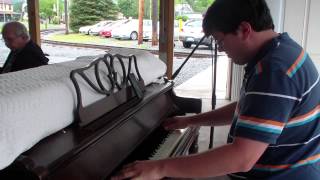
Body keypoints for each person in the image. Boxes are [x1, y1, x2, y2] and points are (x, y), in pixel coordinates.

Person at [112, 0, 320, 179]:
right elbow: (251, 110)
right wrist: (191, 120)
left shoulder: (273, 71)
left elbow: (242, 158)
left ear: (245, 30)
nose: (221, 49)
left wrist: (159, 167)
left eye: (220, 41)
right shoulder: (282, 49)